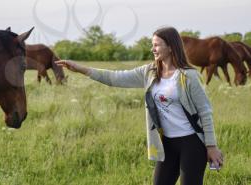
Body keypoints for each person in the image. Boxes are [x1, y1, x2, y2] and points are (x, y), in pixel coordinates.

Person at [55, 26, 223, 185]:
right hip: (167, 143)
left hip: (192, 143)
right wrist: (80, 69)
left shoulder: (188, 76)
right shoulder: (149, 72)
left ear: (171, 47)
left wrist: (211, 146)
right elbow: (114, 78)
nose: (153, 49)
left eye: (156, 45)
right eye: (152, 45)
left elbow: (205, 112)